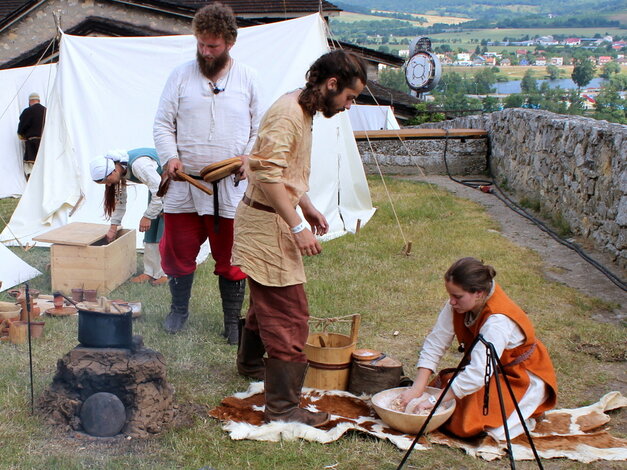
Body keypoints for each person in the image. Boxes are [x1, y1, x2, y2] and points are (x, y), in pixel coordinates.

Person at [232, 49, 367, 427]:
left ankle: (249, 366)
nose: (348, 106)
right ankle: (283, 408)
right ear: (331, 83)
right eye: (350, 98)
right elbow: (267, 176)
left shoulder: (302, 109)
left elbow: (281, 171)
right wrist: (297, 226)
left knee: (267, 302)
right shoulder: (288, 112)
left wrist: (304, 204)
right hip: (266, 227)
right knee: (290, 316)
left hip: (272, 218)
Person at [153, 2, 261, 340]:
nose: (205, 51)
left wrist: (247, 158)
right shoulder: (181, 76)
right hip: (185, 184)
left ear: (230, 42)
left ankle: (231, 322)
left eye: (212, 45)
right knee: (177, 252)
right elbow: (162, 123)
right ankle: (178, 310)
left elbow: (260, 128)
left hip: (229, 186)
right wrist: (170, 156)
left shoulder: (248, 78)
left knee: (231, 256)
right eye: (200, 43)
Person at [398, 257, 558, 441]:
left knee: (465, 422)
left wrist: (435, 401)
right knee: (443, 389)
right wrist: (417, 388)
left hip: (519, 376)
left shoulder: (498, 321)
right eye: (450, 295)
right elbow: (436, 341)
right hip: (488, 371)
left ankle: (529, 411)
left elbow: (478, 374)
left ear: (479, 293)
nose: (451, 302)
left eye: (457, 296)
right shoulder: (459, 303)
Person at [89, 148, 167, 285]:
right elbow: (120, 202)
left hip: (168, 185)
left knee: (164, 228)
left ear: (113, 171)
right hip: (157, 188)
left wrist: (148, 216)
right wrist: (113, 227)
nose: (108, 184)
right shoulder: (120, 170)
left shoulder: (139, 165)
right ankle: (149, 272)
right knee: (151, 231)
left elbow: (159, 191)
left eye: (107, 180)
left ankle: (165, 273)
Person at [17, 92, 46, 179]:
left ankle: (30, 183)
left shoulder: (27, 111)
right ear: (39, 100)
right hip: (45, 142)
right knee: (43, 163)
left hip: (32, 143)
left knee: (30, 165)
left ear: (30, 101)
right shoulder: (46, 110)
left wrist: (21, 134)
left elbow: (22, 126)